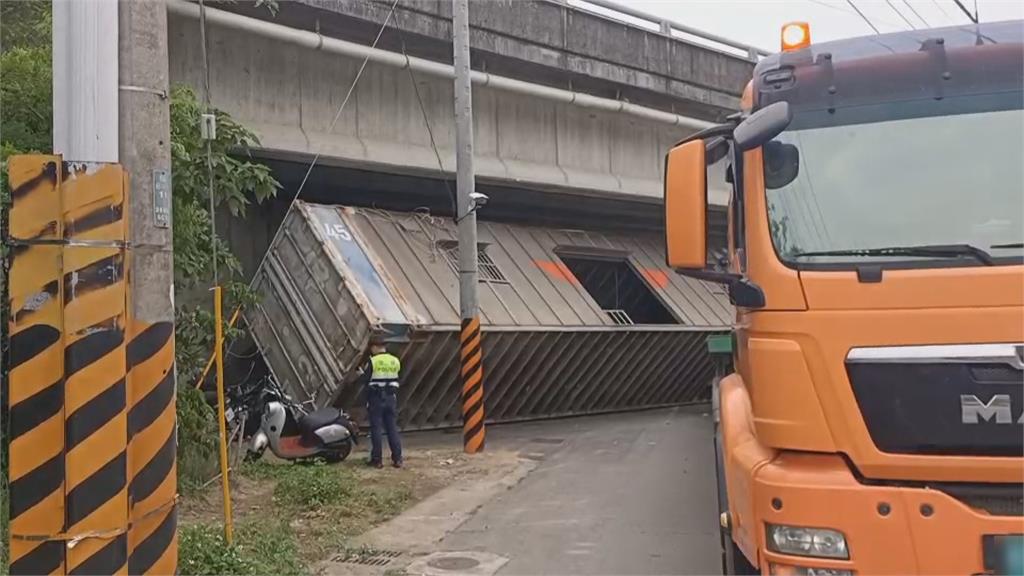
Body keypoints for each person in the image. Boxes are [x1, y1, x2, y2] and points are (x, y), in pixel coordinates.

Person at [363, 338, 403, 468]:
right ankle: (397, 459)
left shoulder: (372, 361)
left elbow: (365, 381)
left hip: (376, 398)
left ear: (374, 347)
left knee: (376, 429)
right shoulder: (395, 360)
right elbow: (396, 379)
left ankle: (377, 460)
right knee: (392, 428)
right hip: (391, 398)